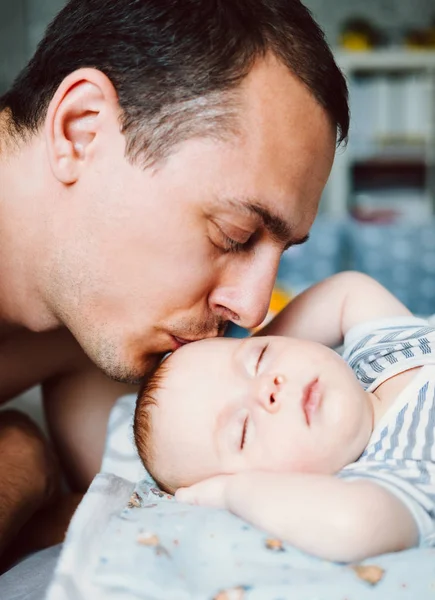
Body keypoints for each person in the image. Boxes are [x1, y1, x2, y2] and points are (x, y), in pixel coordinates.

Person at [0, 0, 348, 577]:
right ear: (81, 129)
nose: (253, 308)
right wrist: (21, 454)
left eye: (279, 252)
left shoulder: (101, 317)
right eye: (235, 235)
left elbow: (138, 512)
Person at [134, 271, 435, 562]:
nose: (269, 388)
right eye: (244, 429)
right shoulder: (396, 475)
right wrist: (233, 493)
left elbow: (346, 292)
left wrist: (257, 343)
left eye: (260, 358)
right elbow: (354, 525)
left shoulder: (386, 352)